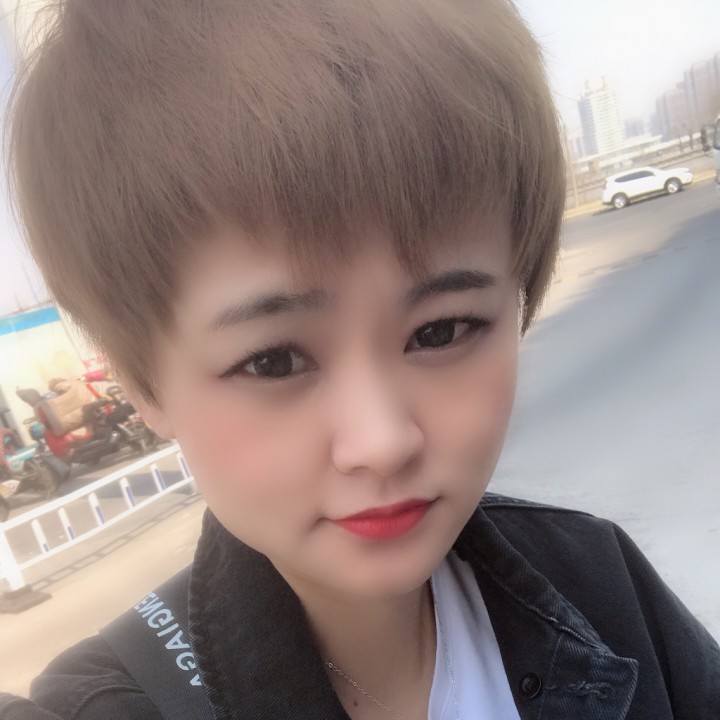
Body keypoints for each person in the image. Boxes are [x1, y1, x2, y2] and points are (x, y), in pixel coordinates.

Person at [1, 0, 718, 718]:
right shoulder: (107, 705)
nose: (381, 443)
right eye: (275, 361)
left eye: (440, 332)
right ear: (142, 381)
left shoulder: (601, 584)